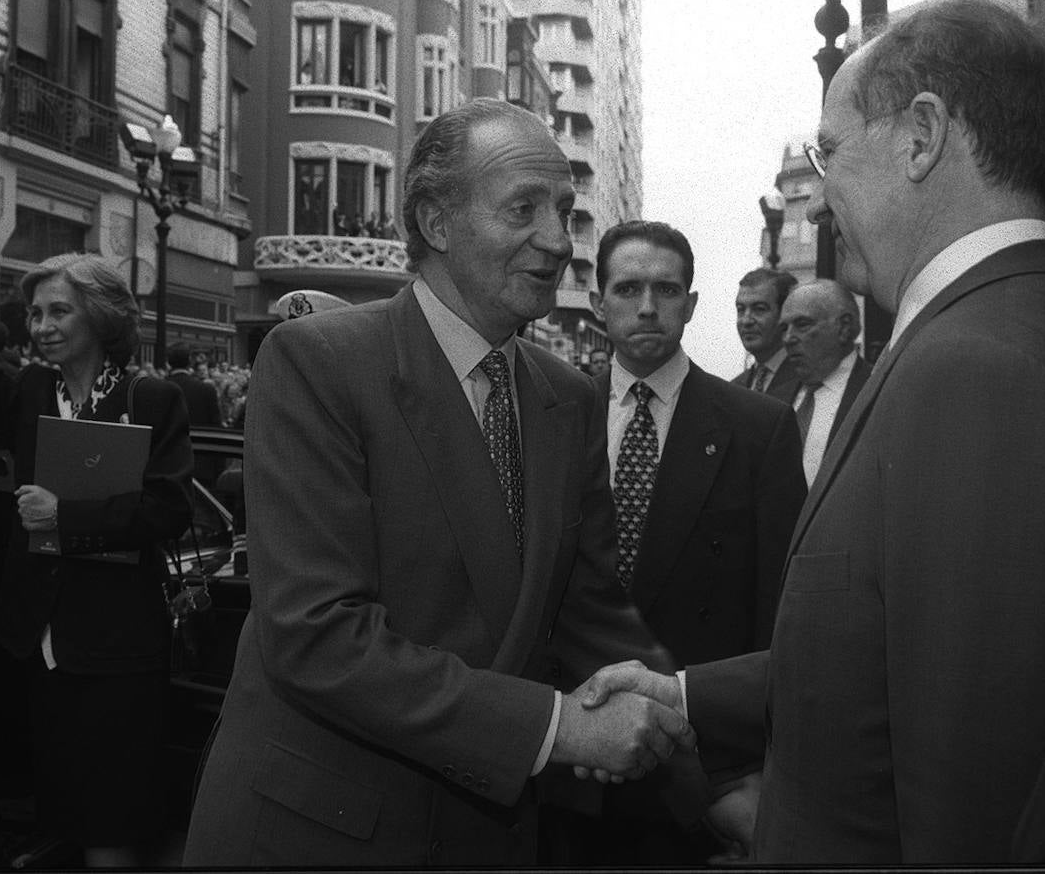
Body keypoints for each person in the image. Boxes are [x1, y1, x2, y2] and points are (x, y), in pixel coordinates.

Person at [580, 0, 1045, 864]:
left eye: (827, 153)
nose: (824, 202)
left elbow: (971, 801)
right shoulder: (1006, 335)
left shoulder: (977, 372)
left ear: (921, 138)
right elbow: (876, 648)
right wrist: (682, 694)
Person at [183, 98, 700, 867]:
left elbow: (588, 613)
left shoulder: (568, 397)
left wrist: (689, 740)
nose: (559, 241)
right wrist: (556, 728)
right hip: (326, 833)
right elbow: (317, 635)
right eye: (523, 208)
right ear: (436, 222)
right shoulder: (315, 364)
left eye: (563, 209)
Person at [0, 207, 195, 868]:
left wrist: (63, 516)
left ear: (99, 318)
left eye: (57, 313)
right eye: (35, 316)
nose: (41, 328)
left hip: (115, 651)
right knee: (67, 818)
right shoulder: (30, 391)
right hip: (36, 645)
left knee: (111, 828)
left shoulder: (151, 397)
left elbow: (169, 509)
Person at [548, 221, 805, 865]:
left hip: (701, 771)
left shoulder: (757, 428)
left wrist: (755, 763)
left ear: (691, 305)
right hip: (570, 754)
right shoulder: (554, 414)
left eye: (666, 289)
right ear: (598, 300)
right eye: (627, 287)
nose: (646, 307)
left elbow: (781, 611)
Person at [777, 279, 870, 486]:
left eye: (802, 324)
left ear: (844, 327)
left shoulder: (878, 392)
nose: (788, 338)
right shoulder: (774, 400)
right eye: (783, 328)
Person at [732, 268, 799, 401]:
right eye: (740, 310)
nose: (746, 321)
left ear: (785, 313)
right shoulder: (734, 389)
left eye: (759, 309)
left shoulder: (806, 379)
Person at [166, 342, 223, 427]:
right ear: (190, 361)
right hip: (199, 439)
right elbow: (216, 425)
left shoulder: (157, 389)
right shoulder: (207, 389)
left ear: (168, 362)